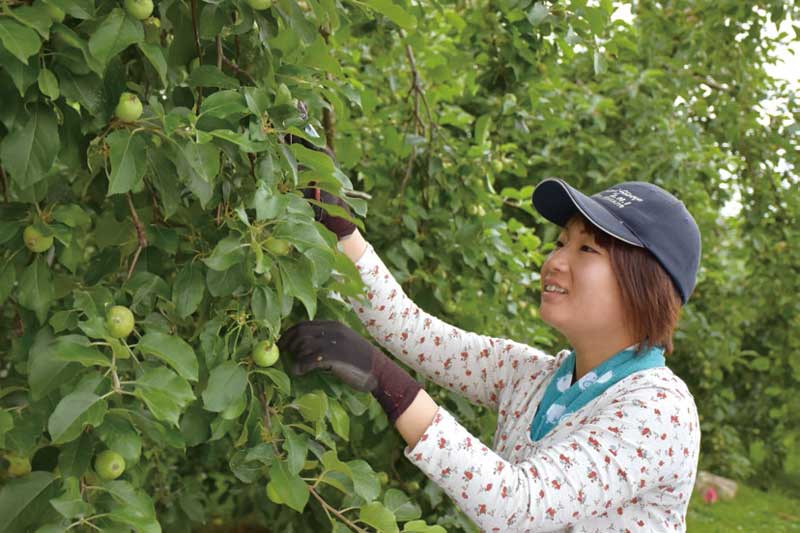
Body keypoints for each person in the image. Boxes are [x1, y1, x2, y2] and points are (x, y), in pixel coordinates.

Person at [278, 177, 702, 532]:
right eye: (560, 243)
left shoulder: (659, 409)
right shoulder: (535, 377)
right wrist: (338, 225)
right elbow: (410, 330)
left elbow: (519, 505)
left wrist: (383, 379)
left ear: (645, 284)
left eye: (586, 249)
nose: (554, 260)